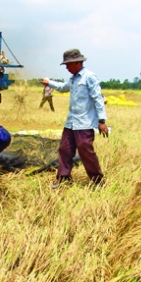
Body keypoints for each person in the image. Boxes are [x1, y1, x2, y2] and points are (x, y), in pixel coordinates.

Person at [40, 48, 108, 189]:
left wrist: (102, 121)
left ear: (77, 63)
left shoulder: (89, 77)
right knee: (64, 150)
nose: (66, 68)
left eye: (68, 65)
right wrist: (49, 82)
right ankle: (63, 179)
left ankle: (97, 181)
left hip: (85, 124)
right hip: (71, 123)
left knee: (85, 150)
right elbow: (63, 87)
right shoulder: (72, 78)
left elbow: (98, 99)